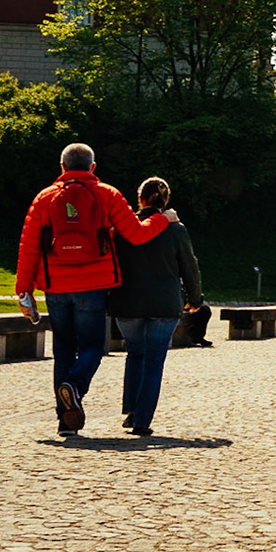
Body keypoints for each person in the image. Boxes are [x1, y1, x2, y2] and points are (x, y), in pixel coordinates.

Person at [14, 143, 176, 436]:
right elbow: (137, 235)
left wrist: (24, 292)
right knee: (91, 348)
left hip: (56, 287)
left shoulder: (44, 198)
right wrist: (163, 219)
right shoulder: (107, 194)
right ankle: (73, 387)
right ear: (93, 167)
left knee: (63, 350)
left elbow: (28, 248)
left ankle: (66, 420)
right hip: (93, 287)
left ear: (62, 167)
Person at [110, 177, 203, 436]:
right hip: (164, 305)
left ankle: (131, 410)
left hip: (127, 303)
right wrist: (195, 299)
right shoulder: (176, 230)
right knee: (154, 362)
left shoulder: (124, 226)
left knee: (135, 355)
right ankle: (142, 420)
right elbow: (189, 266)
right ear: (166, 201)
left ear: (140, 199)